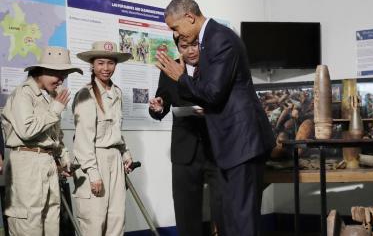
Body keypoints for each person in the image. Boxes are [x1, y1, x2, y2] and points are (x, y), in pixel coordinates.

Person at [156, 0, 275, 236]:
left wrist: (181, 78)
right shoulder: (208, 40)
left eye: (176, 28)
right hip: (232, 145)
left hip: (242, 143)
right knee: (231, 220)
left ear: (189, 17)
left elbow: (212, 94)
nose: (177, 35)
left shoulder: (219, 38)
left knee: (242, 222)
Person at [1, 46, 82, 235]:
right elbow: (27, 130)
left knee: (51, 220)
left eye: (64, 74)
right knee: (28, 222)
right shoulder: (23, 93)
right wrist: (55, 109)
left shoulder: (50, 97)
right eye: (56, 74)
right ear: (41, 71)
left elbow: (55, 136)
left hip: (47, 162)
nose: (61, 79)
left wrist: (65, 159)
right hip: (26, 163)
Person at [149, 36, 222, 236]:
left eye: (194, 45)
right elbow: (162, 102)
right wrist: (158, 107)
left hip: (216, 148)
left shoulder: (215, 67)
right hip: (184, 150)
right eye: (184, 46)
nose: (190, 51)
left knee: (223, 208)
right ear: (178, 48)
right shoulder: (169, 69)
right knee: (186, 212)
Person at [72, 41, 134, 236]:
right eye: (100, 63)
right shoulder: (86, 94)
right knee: (94, 221)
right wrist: (93, 173)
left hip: (114, 159)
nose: (106, 68)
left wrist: (125, 154)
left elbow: (115, 131)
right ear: (92, 64)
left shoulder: (117, 93)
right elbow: (82, 139)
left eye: (110, 63)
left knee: (116, 219)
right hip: (94, 159)